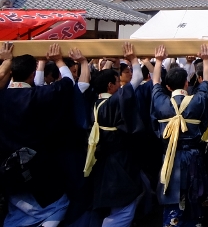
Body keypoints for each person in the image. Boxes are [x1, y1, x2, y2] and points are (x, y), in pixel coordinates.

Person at [0, 43, 87, 227]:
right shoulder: (39, 96)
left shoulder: (2, 97)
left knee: (15, 209)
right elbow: (68, 83)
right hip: (37, 168)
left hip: (7, 166)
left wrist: (6, 61)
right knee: (58, 205)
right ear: (32, 74)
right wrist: (59, 61)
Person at [82, 42, 144, 227]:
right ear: (110, 85)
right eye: (118, 82)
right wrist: (133, 58)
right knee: (125, 205)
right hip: (119, 162)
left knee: (111, 203)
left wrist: (111, 63)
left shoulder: (93, 102)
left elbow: (98, 80)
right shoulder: (115, 101)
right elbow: (138, 78)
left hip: (102, 160)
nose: (120, 85)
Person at [151, 44, 208, 227]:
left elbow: (155, 83)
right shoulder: (197, 100)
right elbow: (206, 83)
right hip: (193, 157)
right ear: (187, 83)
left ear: (168, 87)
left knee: (172, 204)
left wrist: (158, 61)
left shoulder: (161, 102)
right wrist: (206, 60)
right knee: (195, 201)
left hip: (170, 158)